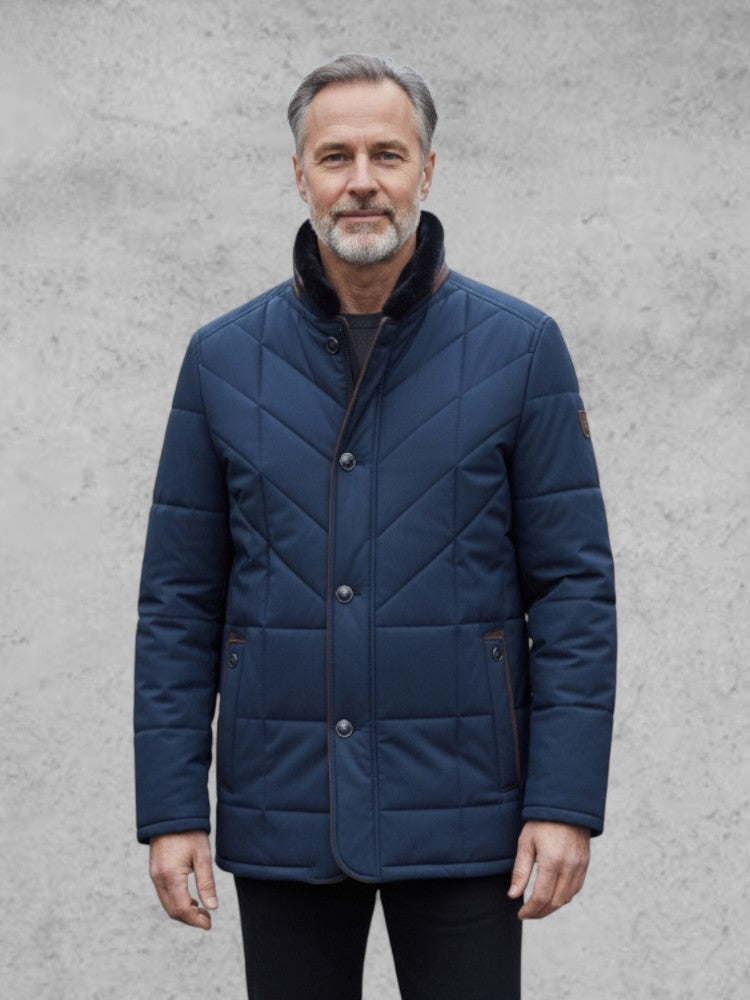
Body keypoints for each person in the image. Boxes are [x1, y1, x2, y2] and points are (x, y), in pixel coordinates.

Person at [134, 53, 616, 1000]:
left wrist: (564, 801)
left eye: (387, 155)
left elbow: (574, 591)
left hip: (469, 802)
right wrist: (171, 808)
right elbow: (178, 601)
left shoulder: (520, 349)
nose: (362, 180)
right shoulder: (223, 359)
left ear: (426, 171)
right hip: (284, 801)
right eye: (336, 156)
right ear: (300, 174)